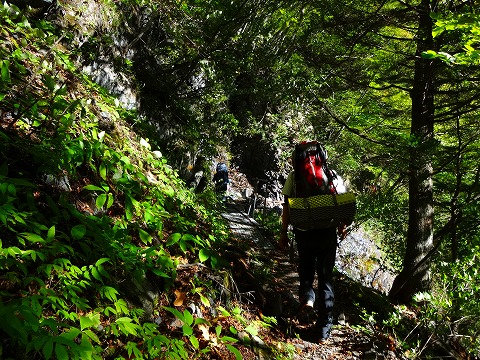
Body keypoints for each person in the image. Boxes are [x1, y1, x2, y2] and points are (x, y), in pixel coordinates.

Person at [279, 143, 347, 342]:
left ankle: (308, 296)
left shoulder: (294, 177)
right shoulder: (332, 175)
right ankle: (324, 331)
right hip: (327, 233)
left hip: (303, 232)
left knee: (306, 268)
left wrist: (283, 233)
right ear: (323, 157)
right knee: (326, 277)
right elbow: (341, 203)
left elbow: (287, 209)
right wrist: (341, 226)